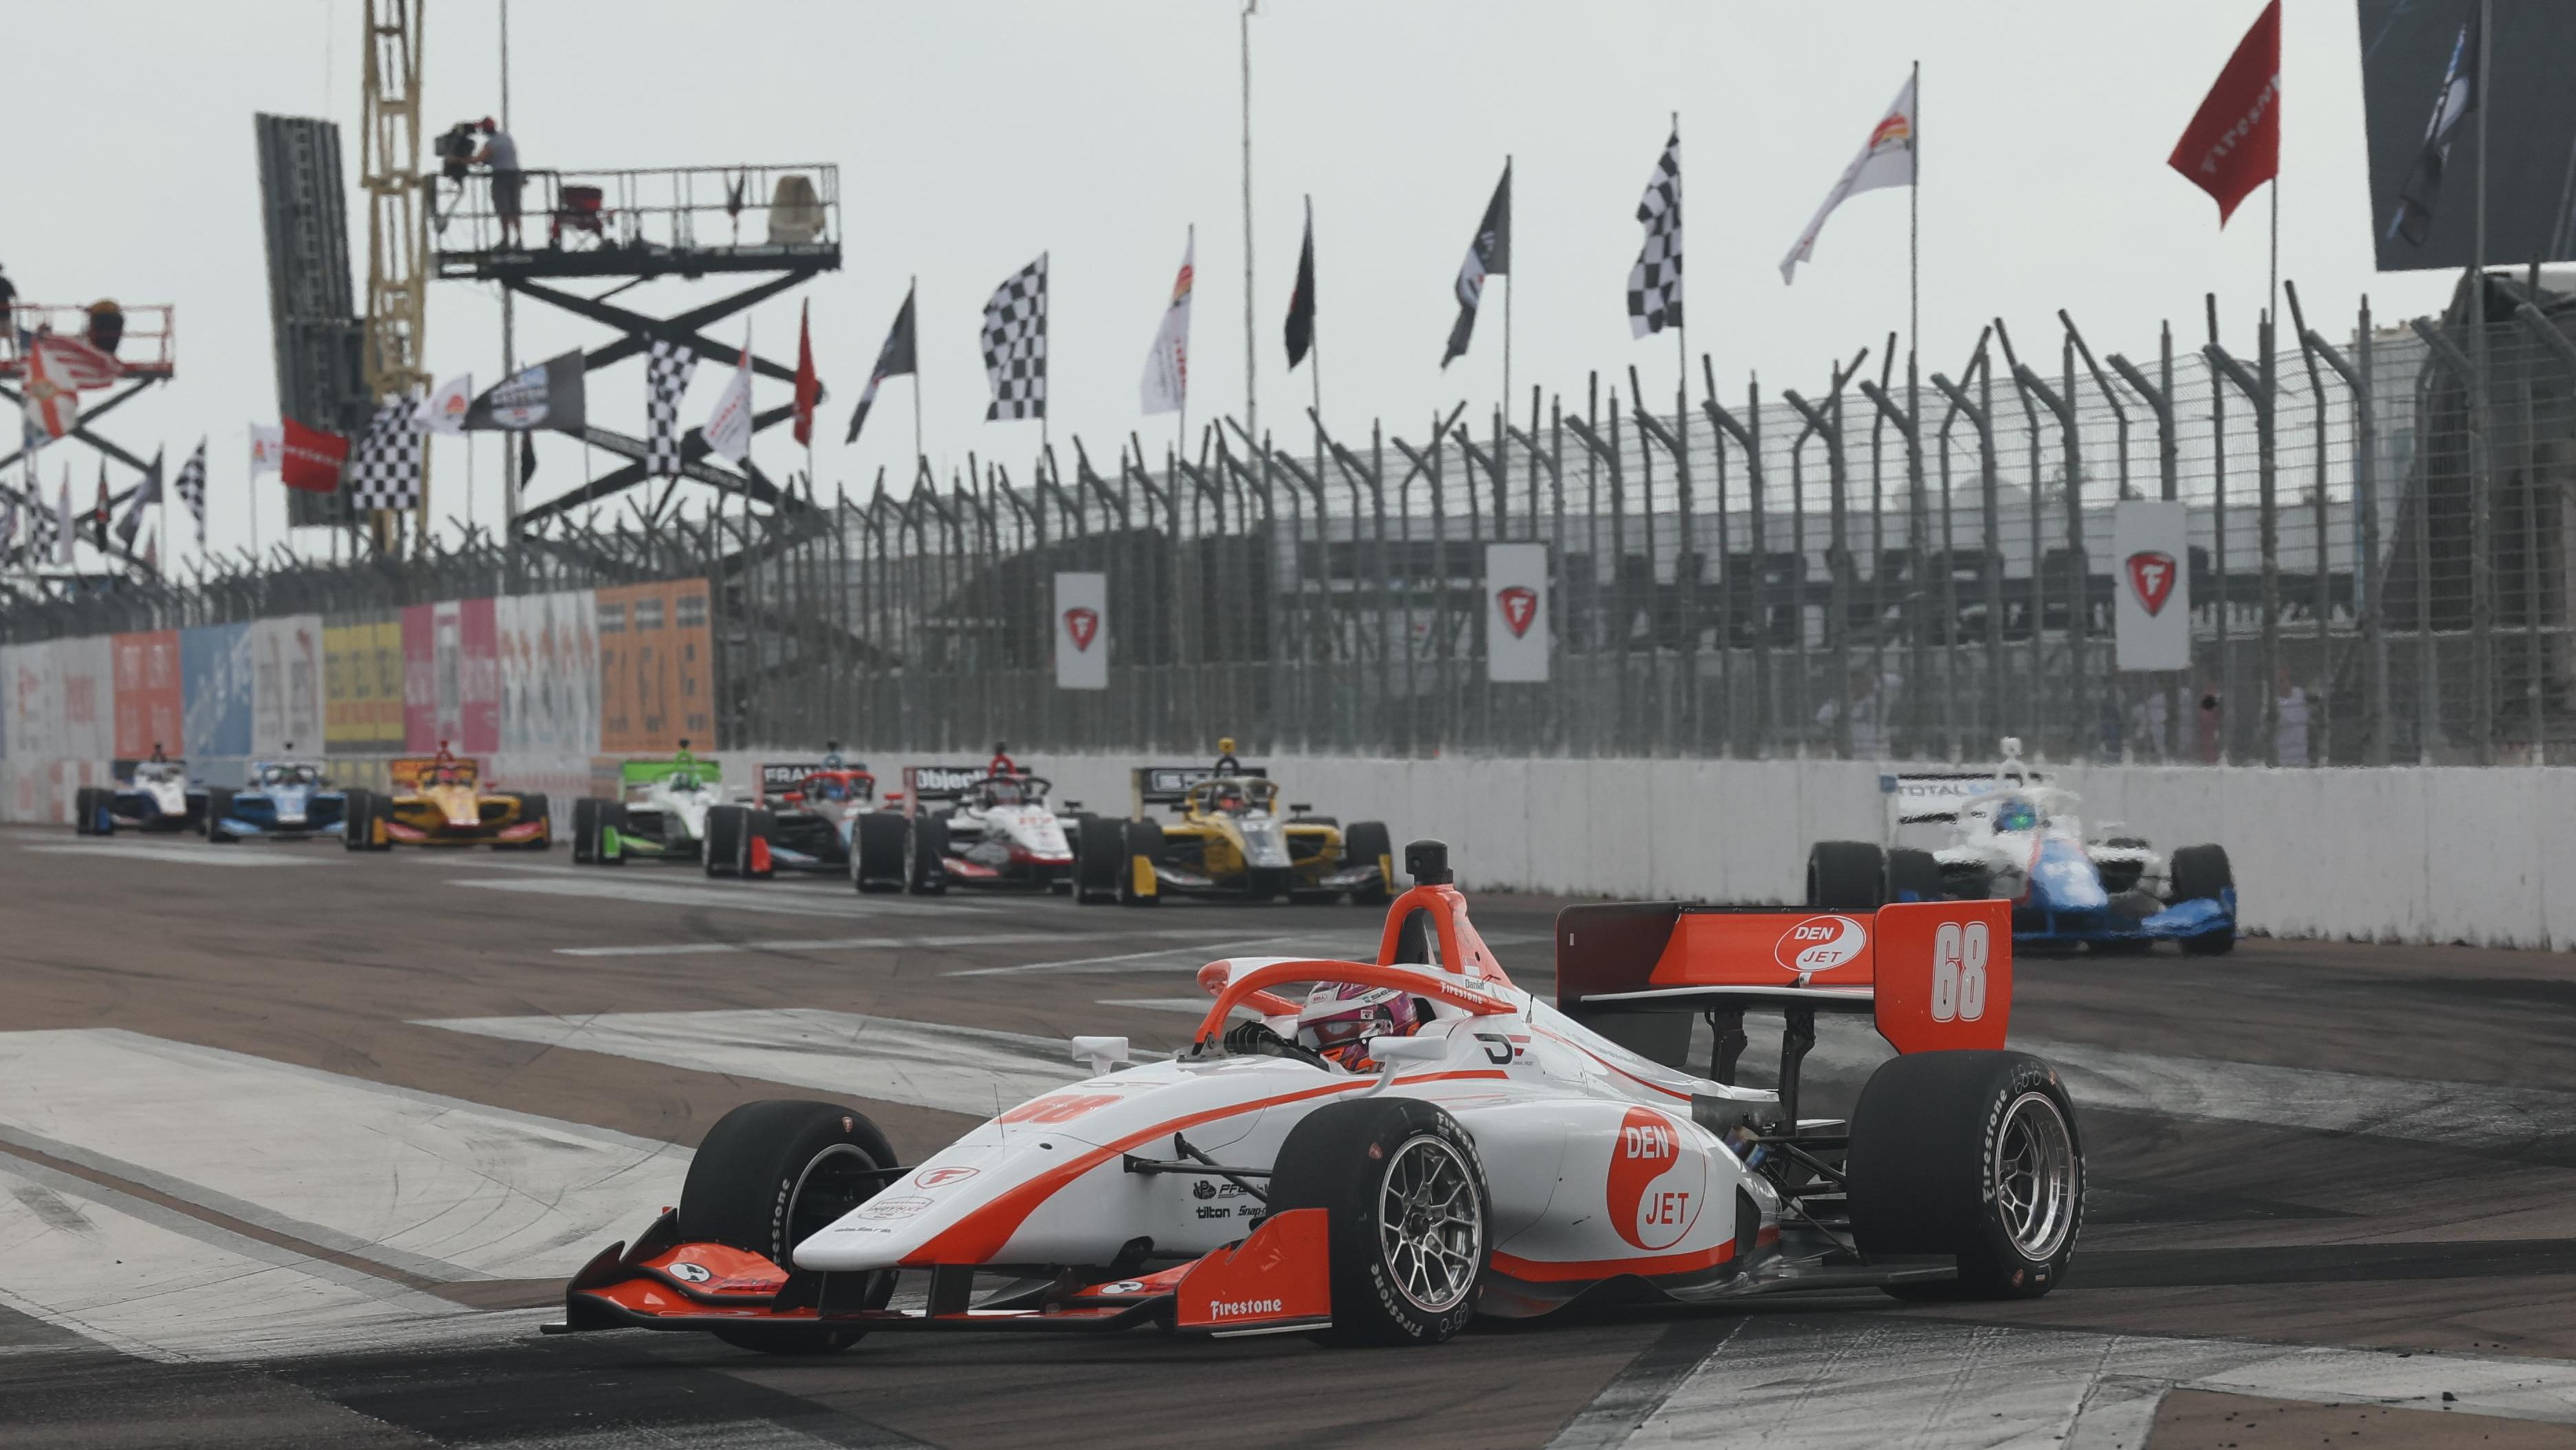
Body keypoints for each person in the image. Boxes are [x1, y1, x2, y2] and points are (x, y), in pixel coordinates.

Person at [473, 119, 524, 248]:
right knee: (515, 209)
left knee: (504, 210)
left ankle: (506, 240)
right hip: (515, 175)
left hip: (501, 177)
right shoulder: (506, 138)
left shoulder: (492, 143)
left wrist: (459, 160)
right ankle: (519, 239)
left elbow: (479, 159)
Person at [2275, 668, 2311, 768]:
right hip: (2284, 764)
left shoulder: (2300, 694)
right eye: (2277, 682)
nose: (2280, 685)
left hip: (2303, 761)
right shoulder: (2274, 705)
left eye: (2283, 680)